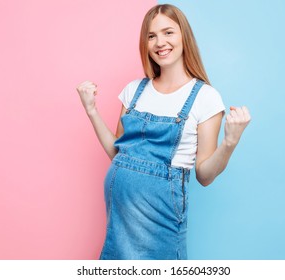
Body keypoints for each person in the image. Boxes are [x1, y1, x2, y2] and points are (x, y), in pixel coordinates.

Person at [76, 4, 251, 260]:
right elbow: (118, 152)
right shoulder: (134, 90)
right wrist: (91, 111)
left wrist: (230, 142)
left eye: (168, 32)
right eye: (151, 36)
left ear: (183, 37)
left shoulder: (205, 98)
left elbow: (204, 175)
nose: (160, 42)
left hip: (161, 217)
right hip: (118, 219)